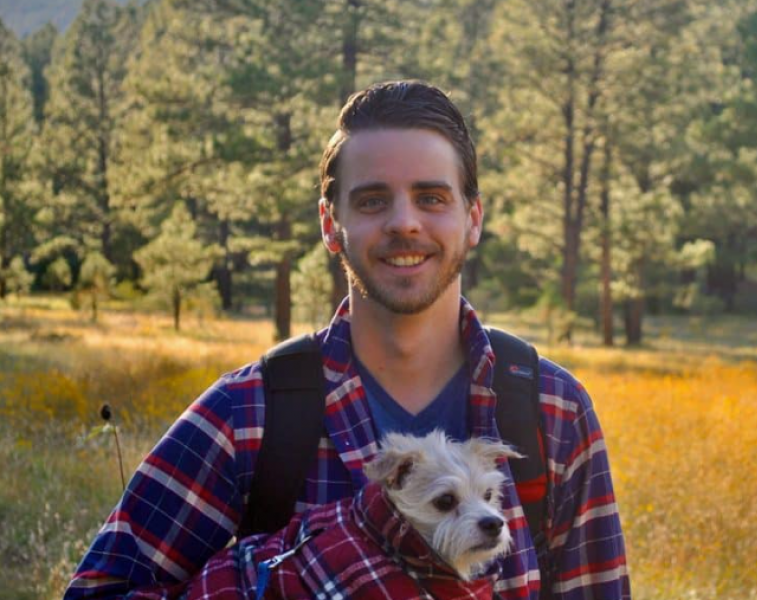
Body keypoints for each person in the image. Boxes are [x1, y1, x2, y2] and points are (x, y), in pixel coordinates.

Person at [64, 80, 630, 600]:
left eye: (432, 197)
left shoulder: (551, 411)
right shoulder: (248, 414)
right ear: (330, 224)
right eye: (373, 200)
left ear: (473, 219)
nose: (404, 222)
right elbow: (98, 591)